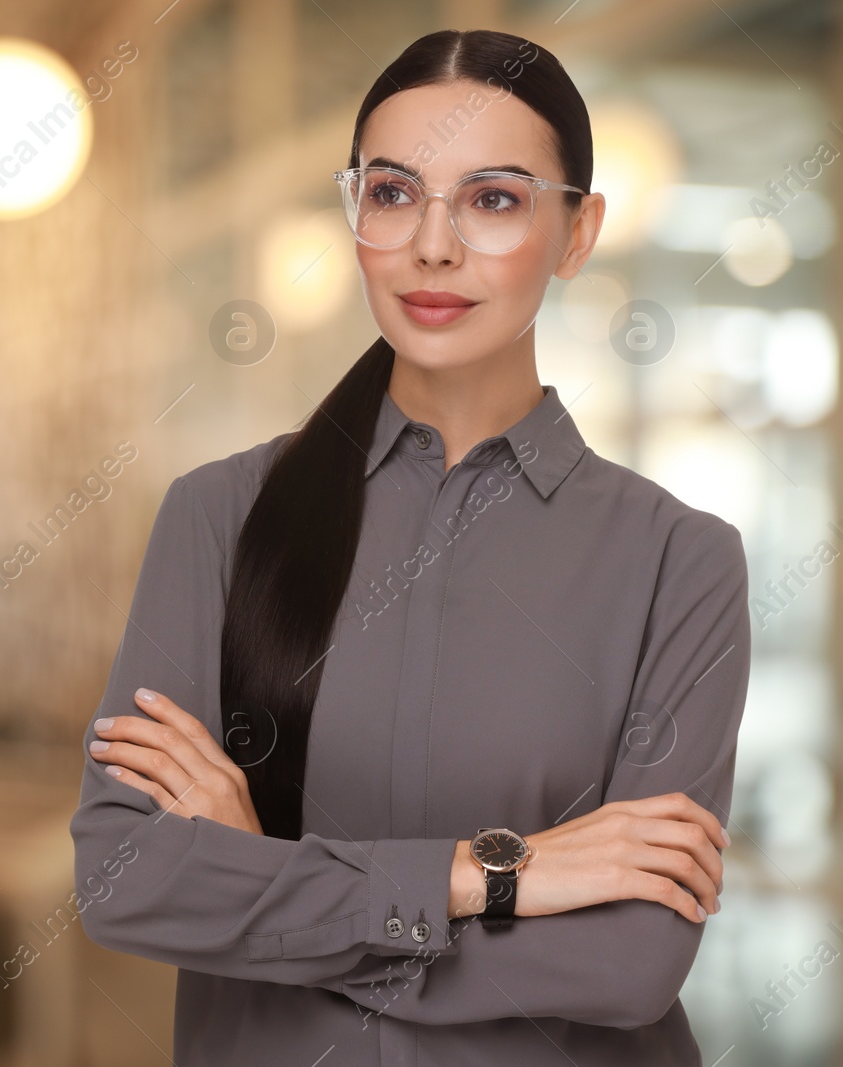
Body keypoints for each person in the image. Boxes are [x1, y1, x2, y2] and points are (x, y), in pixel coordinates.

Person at [68, 27, 749, 1066]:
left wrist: (261, 883)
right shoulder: (216, 515)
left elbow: (626, 965)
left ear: (576, 233)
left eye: (492, 198)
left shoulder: (680, 563)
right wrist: (496, 873)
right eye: (393, 194)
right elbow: (125, 880)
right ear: (356, 217)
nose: (433, 245)